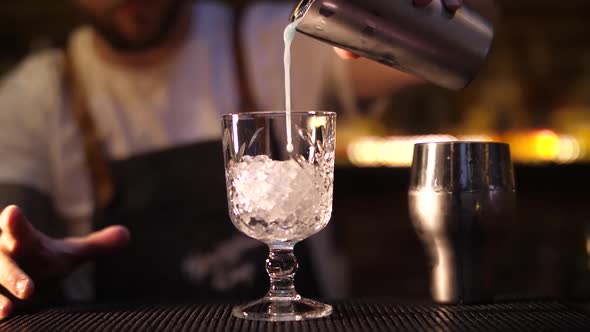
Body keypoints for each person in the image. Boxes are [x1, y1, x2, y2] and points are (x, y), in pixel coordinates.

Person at [0, 0, 466, 319]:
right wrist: (13, 256)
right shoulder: (36, 95)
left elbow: (455, 47)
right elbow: (10, 223)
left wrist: (413, 9)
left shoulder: (271, 34)